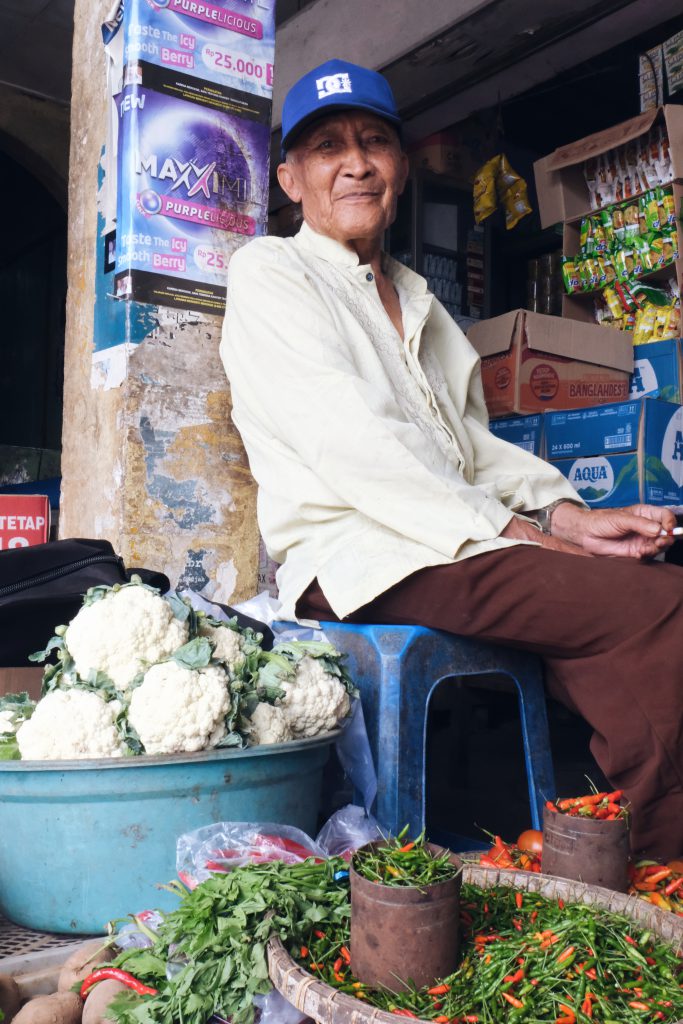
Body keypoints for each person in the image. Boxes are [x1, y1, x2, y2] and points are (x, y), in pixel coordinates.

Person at [221, 59, 683, 859]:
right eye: (328, 148)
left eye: (373, 141)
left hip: (449, 539)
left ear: (398, 166)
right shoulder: (272, 274)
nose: (355, 162)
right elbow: (355, 449)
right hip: (363, 553)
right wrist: (522, 534)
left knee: (651, 593)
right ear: (292, 179)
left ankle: (620, 845)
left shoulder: (416, 298)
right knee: (649, 607)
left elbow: (469, 446)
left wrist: (569, 516)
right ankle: (656, 852)